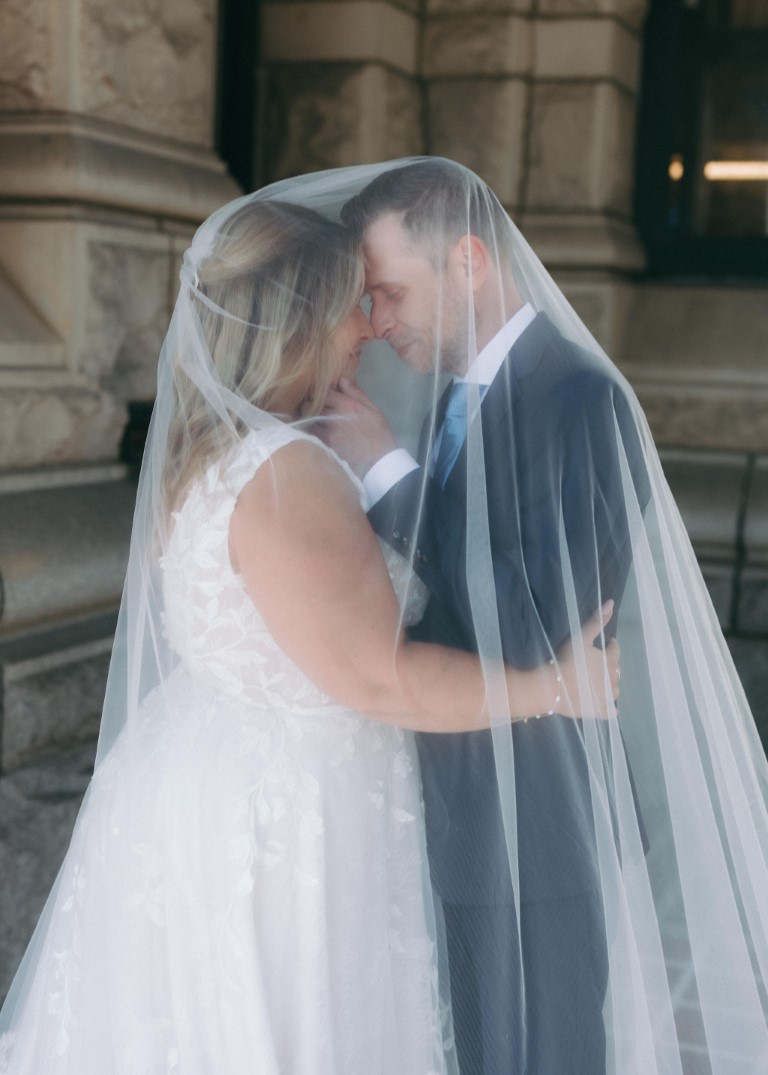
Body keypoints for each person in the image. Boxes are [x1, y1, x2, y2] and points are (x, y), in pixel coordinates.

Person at [0, 195, 618, 1073]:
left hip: (215, 774)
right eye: (352, 305)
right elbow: (381, 678)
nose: (367, 328)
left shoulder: (211, 450)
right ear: (297, 322)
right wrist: (557, 687)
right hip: (290, 818)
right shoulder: (288, 472)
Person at [312, 159, 768, 1074]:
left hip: (540, 826)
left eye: (391, 293)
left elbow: (528, 622)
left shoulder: (581, 400)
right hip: (457, 801)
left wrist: (385, 474)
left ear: (470, 261)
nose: (379, 322)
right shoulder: (455, 395)